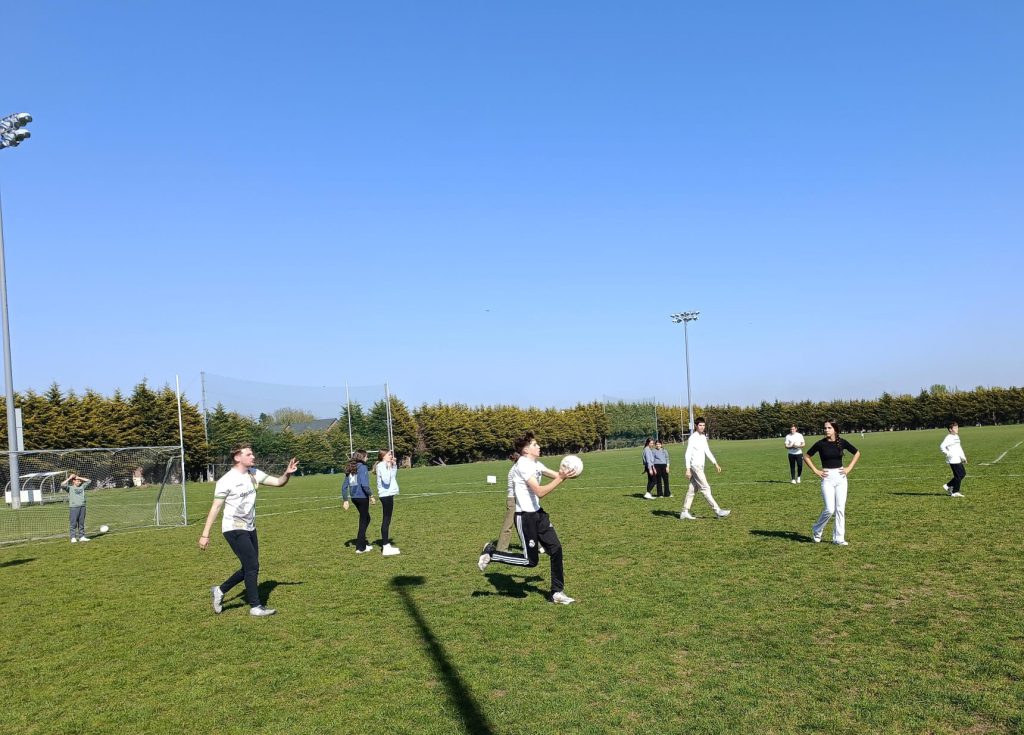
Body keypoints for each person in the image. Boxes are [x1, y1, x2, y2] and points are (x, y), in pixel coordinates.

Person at [477, 431, 578, 604]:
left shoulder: (535, 463)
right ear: (525, 450)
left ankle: (557, 593)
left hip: (539, 514)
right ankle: (492, 554)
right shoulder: (522, 465)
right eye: (534, 444)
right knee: (530, 561)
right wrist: (561, 478)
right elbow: (540, 491)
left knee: (556, 549)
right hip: (525, 517)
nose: (538, 446)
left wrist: (570, 472)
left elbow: (556, 475)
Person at [199, 443, 298, 617]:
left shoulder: (254, 473)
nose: (253, 457)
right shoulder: (226, 481)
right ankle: (255, 606)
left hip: (250, 527)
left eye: (252, 454)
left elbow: (278, 482)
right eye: (249, 454)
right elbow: (215, 507)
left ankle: (220, 590)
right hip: (233, 528)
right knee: (252, 565)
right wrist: (205, 535)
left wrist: (287, 473)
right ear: (237, 457)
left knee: (249, 566)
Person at [803, 420, 861, 546]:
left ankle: (838, 538)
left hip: (841, 478)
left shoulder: (842, 442)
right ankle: (817, 529)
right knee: (830, 509)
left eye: (829, 428)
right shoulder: (820, 444)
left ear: (835, 429)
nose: (826, 430)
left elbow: (857, 453)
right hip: (827, 478)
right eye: (825, 428)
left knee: (840, 509)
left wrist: (849, 468)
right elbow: (806, 456)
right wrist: (816, 471)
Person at [679, 417, 730, 520]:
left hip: (700, 466)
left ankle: (684, 511)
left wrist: (715, 463)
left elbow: (707, 451)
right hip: (695, 466)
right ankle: (717, 510)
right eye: (700, 425)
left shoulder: (703, 437)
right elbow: (687, 454)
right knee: (705, 488)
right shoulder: (692, 438)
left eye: (703, 425)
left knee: (692, 489)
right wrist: (688, 469)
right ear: (696, 426)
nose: (702, 427)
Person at [341, 450, 376, 554]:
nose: (367, 458)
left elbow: (344, 487)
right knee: (363, 521)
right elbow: (365, 485)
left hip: (354, 498)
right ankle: (360, 547)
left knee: (366, 518)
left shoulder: (350, 467)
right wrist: (371, 495)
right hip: (362, 497)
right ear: (362, 457)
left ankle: (362, 543)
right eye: (366, 456)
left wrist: (345, 500)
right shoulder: (363, 467)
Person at [374, 449, 401, 555]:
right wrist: (389, 467)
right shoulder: (381, 466)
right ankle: (385, 546)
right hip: (385, 495)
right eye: (389, 454)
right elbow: (386, 480)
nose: (391, 456)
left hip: (389, 494)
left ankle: (387, 544)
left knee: (388, 520)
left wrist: (393, 466)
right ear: (383, 456)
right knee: (386, 520)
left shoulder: (385, 465)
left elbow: (393, 476)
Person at [496, 452, 520, 553]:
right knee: (508, 525)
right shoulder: (516, 469)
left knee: (526, 523)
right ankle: (501, 548)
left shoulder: (517, 467)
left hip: (517, 499)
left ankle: (537, 545)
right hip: (513, 500)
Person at [61, 472, 92, 543]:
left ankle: (82, 537)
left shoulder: (82, 487)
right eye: (77, 481)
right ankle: (73, 537)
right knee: (73, 523)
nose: (79, 482)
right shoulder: (70, 488)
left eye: (80, 481)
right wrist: (69, 478)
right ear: (73, 481)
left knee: (81, 523)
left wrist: (79, 477)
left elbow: (89, 481)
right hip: (74, 507)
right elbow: (62, 484)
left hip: (82, 507)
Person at [940, 422, 967, 498]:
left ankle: (948, 486)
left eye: (957, 427)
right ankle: (955, 491)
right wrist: (948, 454)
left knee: (962, 474)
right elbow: (942, 446)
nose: (957, 429)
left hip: (958, 458)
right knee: (959, 475)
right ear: (950, 429)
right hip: (952, 459)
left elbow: (959, 448)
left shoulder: (956, 436)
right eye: (955, 428)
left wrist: (963, 457)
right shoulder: (949, 437)